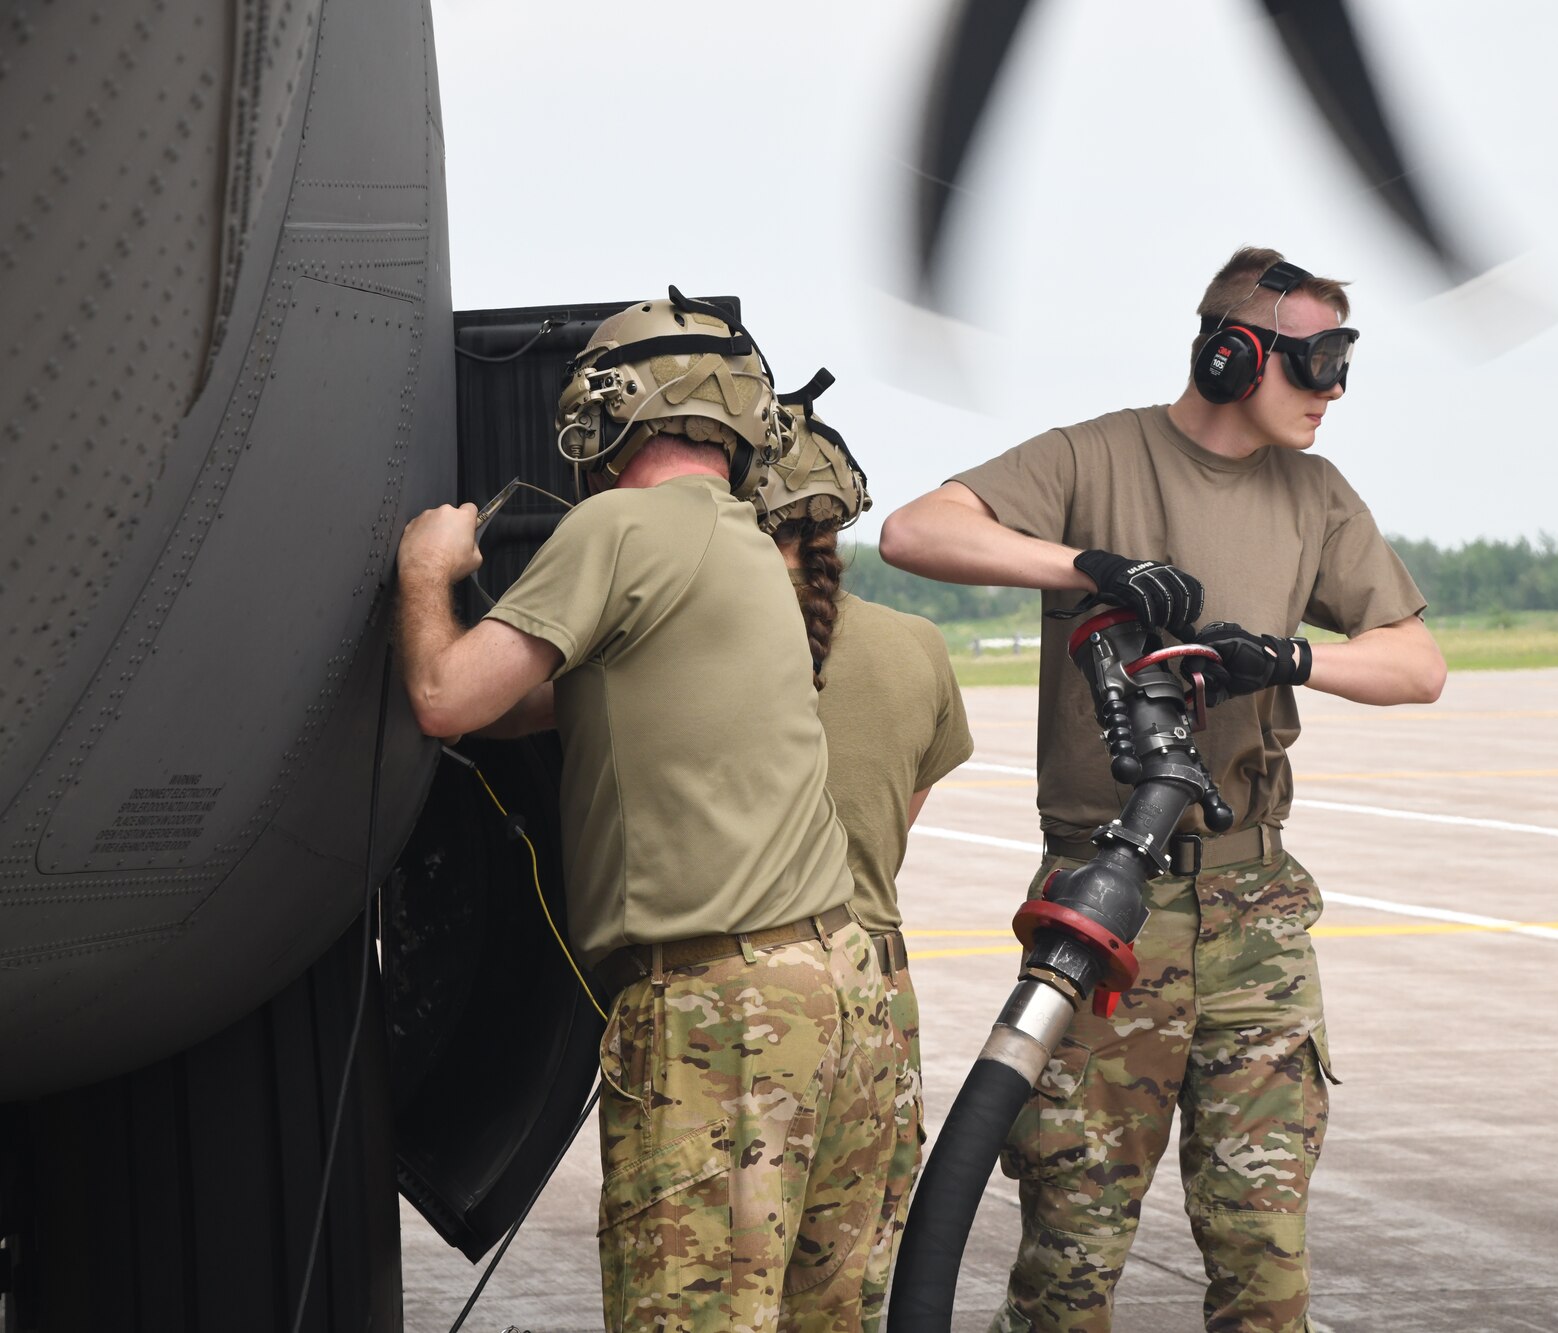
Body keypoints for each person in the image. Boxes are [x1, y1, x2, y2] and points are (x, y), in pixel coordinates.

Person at [877, 247, 1447, 1332]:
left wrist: (1285, 660)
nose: (1332, 390)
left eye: (1342, 362)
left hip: (1252, 913)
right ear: (1233, 355)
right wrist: (1089, 567)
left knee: (1261, 1242)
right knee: (1070, 1246)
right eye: (1316, 361)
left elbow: (1415, 663)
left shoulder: (1314, 494)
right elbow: (917, 532)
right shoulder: (1095, 455)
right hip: (1104, 900)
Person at [395, 292, 891, 1332]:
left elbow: (444, 698)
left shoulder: (619, 525)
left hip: (719, 1012)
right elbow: (536, 704)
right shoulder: (746, 545)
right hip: (838, 991)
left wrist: (426, 572)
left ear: (609, 411)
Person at [754, 374, 975, 1332]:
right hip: (878, 999)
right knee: (842, 1298)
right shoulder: (919, 647)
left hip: (745, 1005)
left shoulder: (677, 640)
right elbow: (899, 818)